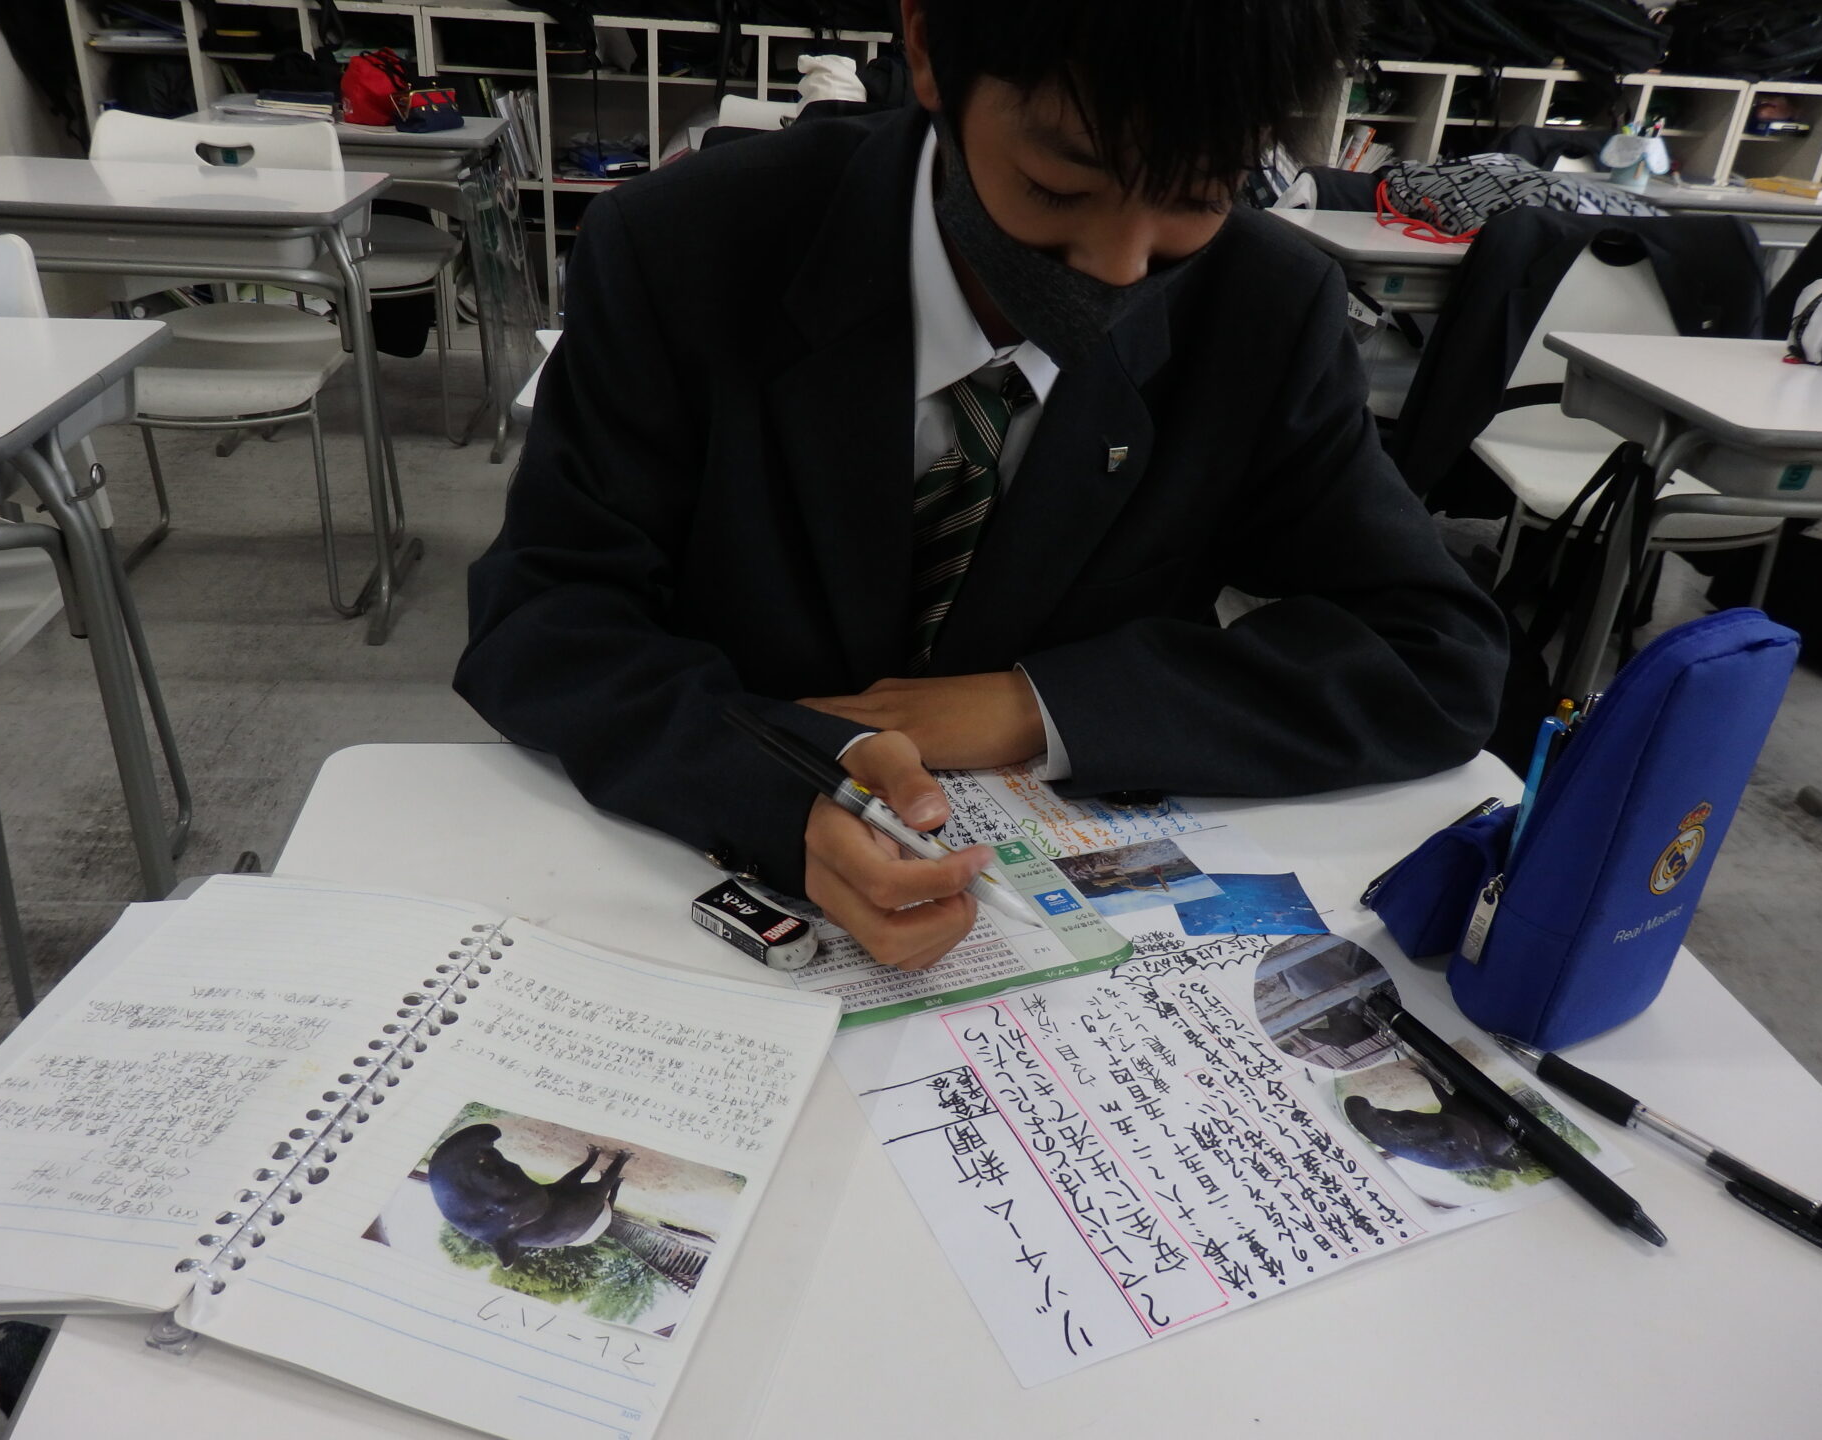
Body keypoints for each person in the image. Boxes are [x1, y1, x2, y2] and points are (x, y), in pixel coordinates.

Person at [457, 0, 1507, 973]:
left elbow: (1436, 652)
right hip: (681, 903)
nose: (1121, 267)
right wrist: (777, 784)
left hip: (1050, 948)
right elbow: (546, 615)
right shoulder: (686, 247)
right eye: (1060, 184)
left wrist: (1035, 706)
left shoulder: (1262, 310)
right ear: (927, 45)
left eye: (1196, 195)